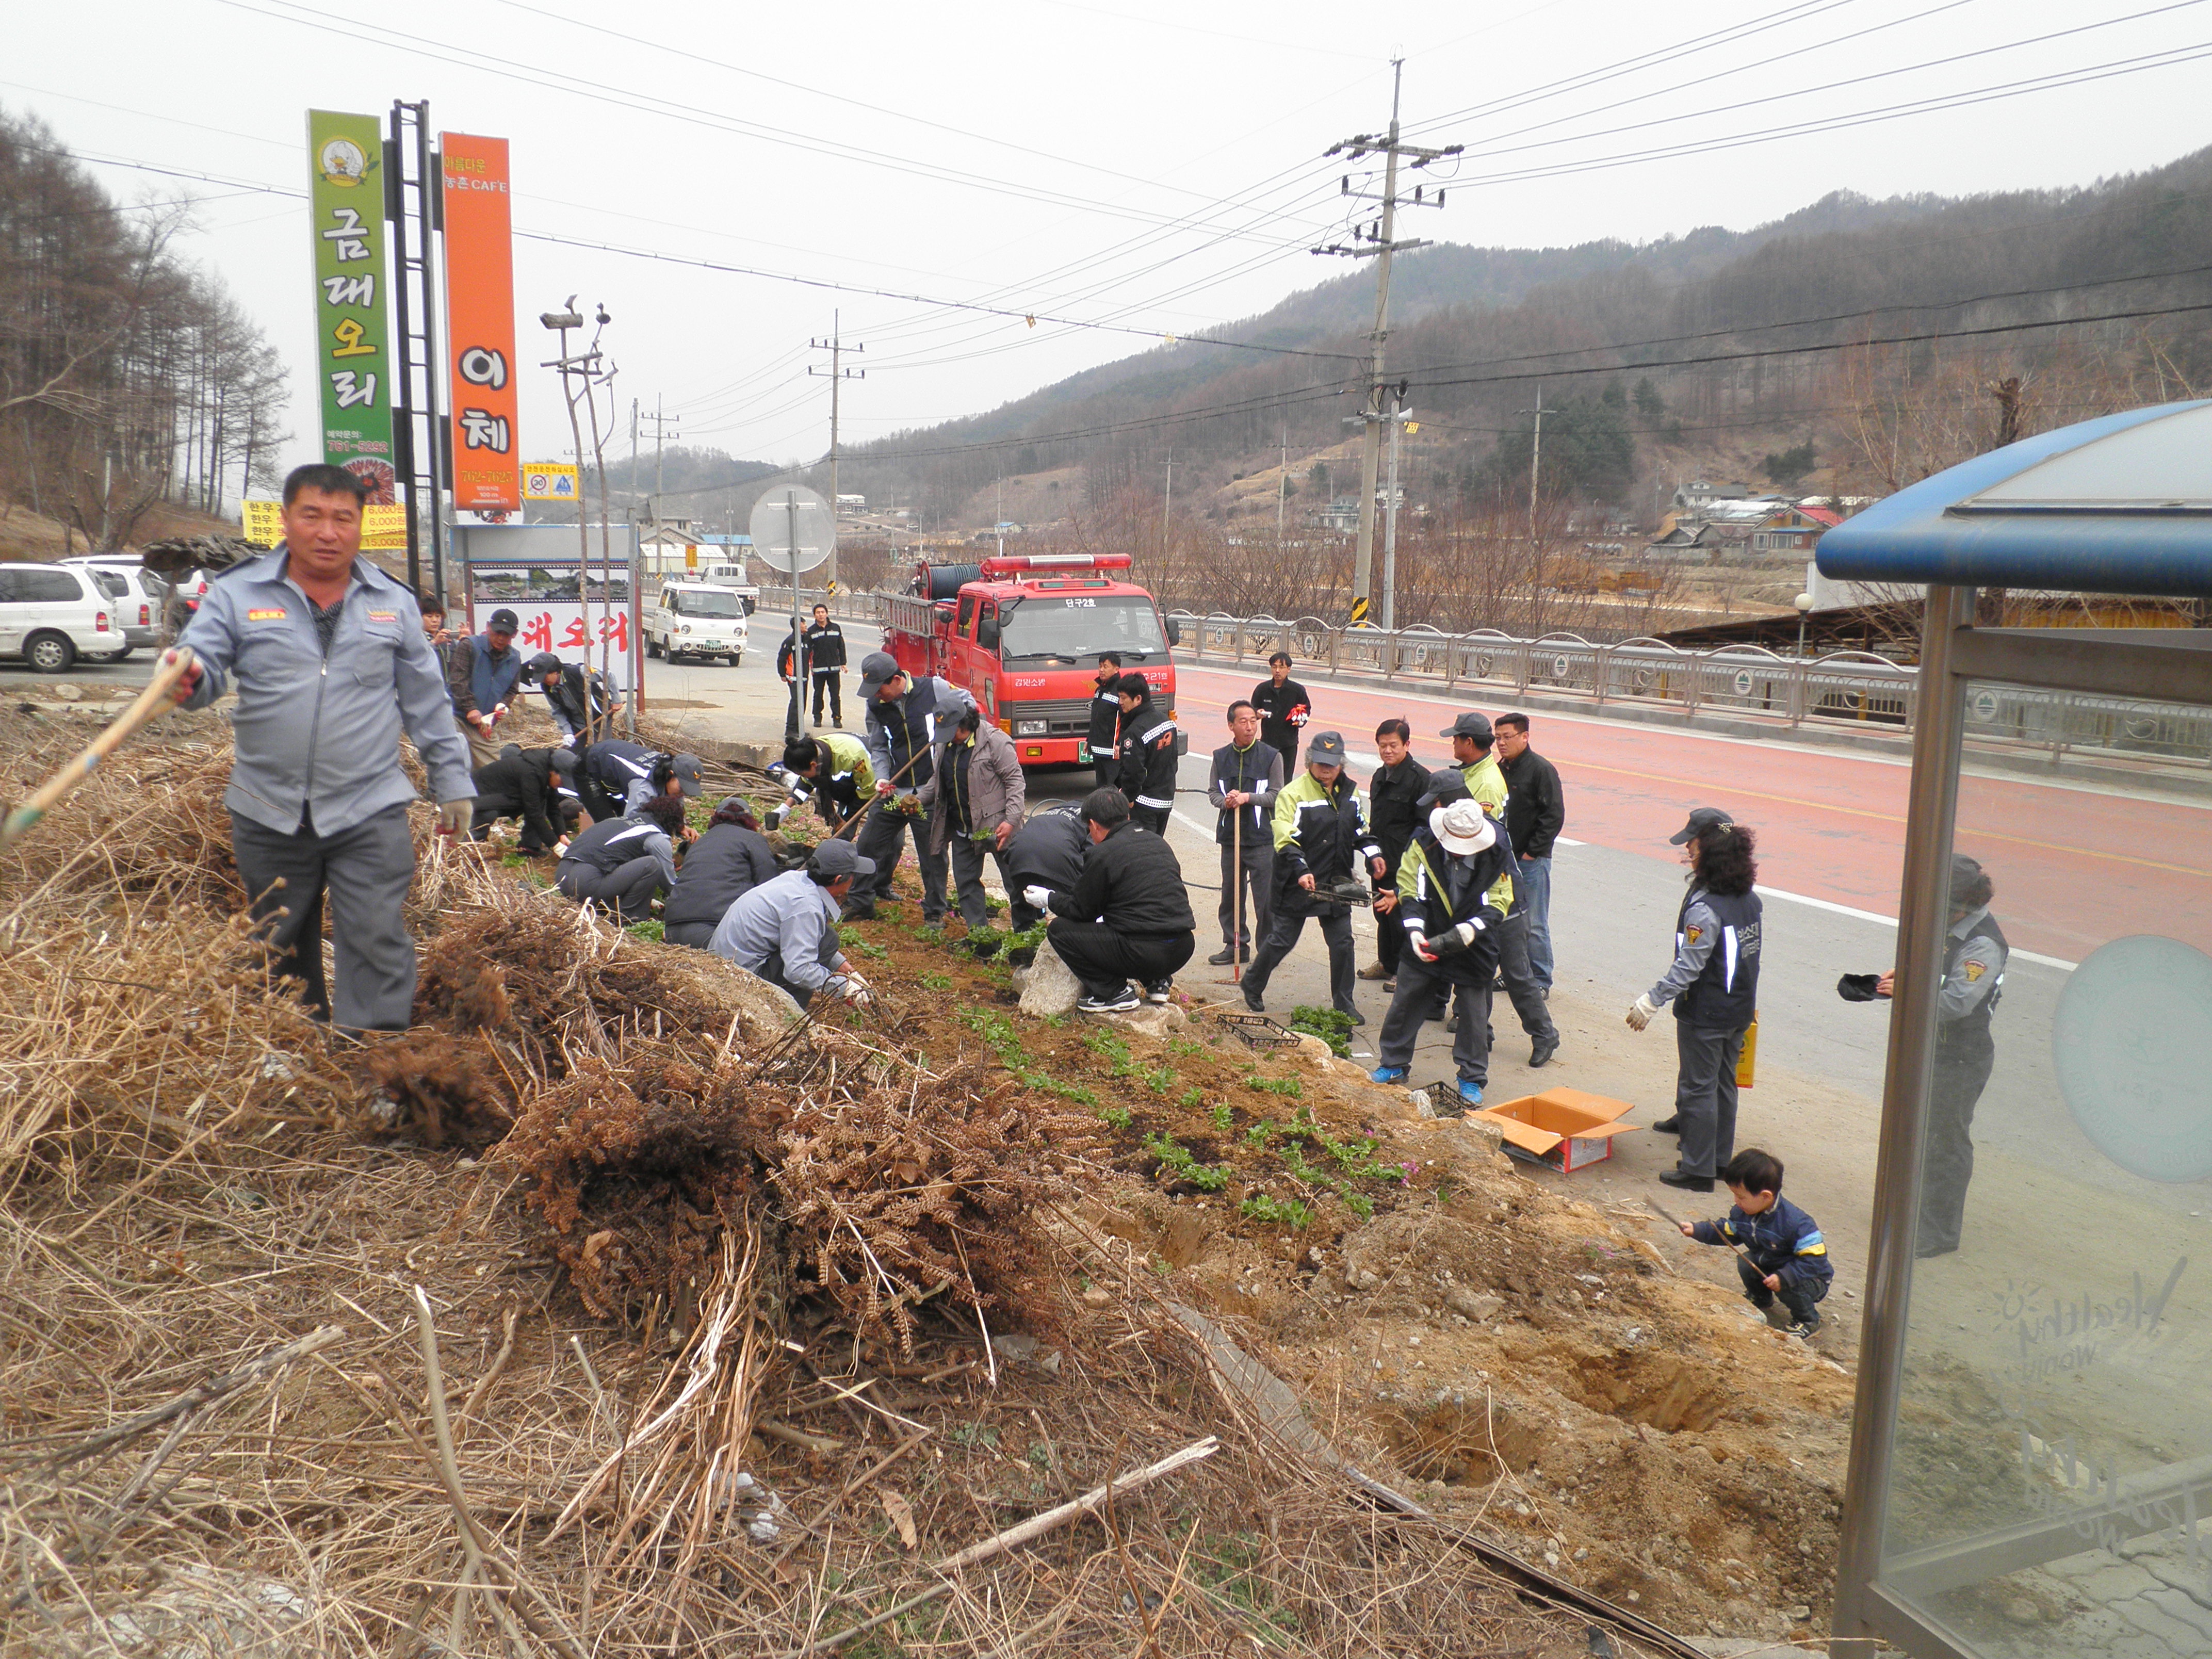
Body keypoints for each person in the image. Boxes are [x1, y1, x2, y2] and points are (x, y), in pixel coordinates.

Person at [165, 462, 476, 1032]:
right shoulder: (237, 593)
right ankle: (296, 1055)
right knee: (277, 942)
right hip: (268, 808)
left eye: (343, 518)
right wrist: (186, 676)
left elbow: (428, 702)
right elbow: (201, 667)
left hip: (369, 807)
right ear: (286, 520)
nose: (328, 532)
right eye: (312, 516)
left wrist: (453, 781)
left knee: (376, 937)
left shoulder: (393, 601)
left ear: (361, 525)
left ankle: (374, 1058)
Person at [1875, 853, 2006, 1258]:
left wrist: (1908, 992)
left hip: (1961, 1057)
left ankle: (1938, 1232)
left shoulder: (1982, 944)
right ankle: (1909, 1213)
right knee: (1914, 1131)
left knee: (1945, 1142)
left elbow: (1955, 1003)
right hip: (1930, 1048)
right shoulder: (1947, 927)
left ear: (1961, 905)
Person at [1627, 807, 1763, 1193]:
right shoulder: (1748, 899)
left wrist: (1651, 1001)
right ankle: (1718, 1160)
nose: (1687, 848)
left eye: (1693, 842)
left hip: (1706, 1014)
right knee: (1723, 1084)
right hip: (1739, 1008)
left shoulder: (1705, 910)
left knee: (1699, 1087)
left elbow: (1689, 967)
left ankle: (1698, 1169)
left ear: (1711, 849)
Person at [1369, 799, 1515, 1108]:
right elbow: (1410, 890)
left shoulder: (1497, 853)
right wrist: (1415, 933)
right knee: (1406, 1000)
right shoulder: (1422, 845)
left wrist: (1470, 930)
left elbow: (1499, 902)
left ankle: (1472, 1077)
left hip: (1475, 942)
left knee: (1474, 1015)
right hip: (1429, 930)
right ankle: (1393, 1063)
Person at [1434, 710, 1558, 1069]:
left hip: (1503, 901)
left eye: (1456, 738)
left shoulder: (1486, 788)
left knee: (1517, 974)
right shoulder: (1472, 777)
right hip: (1478, 899)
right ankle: (1480, 1032)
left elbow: (1484, 852)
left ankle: (1544, 1034)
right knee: (1476, 970)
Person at [1240, 731, 1385, 1023]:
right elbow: (1285, 839)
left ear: (1341, 764)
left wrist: (1374, 854)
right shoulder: (1293, 794)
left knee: (1343, 943)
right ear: (1309, 762)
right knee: (1282, 940)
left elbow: (1360, 830)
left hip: (1336, 883)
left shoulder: (1350, 794)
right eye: (1320, 764)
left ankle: (1344, 1004)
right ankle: (1252, 983)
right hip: (1298, 881)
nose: (1326, 770)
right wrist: (1302, 870)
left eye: (1332, 764)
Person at [1026, 788, 1195, 1014]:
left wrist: (1048, 898)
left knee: (1060, 931)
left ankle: (1114, 993)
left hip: (1142, 952)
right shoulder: (1157, 842)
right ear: (1127, 816)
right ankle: (1158, 982)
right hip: (1182, 947)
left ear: (1094, 825)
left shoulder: (1103, 853)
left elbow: (1082, 911)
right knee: (1140, 922)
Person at [1676, 1148, 1832, 1338]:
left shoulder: (1797, 1224)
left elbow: (1814, 1260)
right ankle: (1761, 1297)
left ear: (1766, 1196)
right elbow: (1727, 1231)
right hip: (1772, 1265)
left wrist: (1785, 1277)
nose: (1736, 1201)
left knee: (1788, 1286)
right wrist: (1697, 1230)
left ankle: (1808, 1319)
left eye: (1741, 1197)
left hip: (1810, 1278)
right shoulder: (1744, 1214)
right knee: (1747, 1261)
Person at [847, 651, 954, 923]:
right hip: (894, 789)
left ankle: (935, 913)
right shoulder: (875, 705)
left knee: (933, 856)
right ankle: (859, 902)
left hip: (928, 792)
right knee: (868, 846)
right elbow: (879, 746)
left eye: (879, 689)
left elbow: (966, 708)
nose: (876, 695)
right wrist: (882, 777)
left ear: (896, 680)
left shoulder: (934, 689)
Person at [710, 839, 875, 1010]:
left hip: (722, 966)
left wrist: (847, 970)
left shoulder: (797, 879)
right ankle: (791, 1014)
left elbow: (809, 937)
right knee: (828, 941)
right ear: (838, 879)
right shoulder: (806, 907)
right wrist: (843, 987)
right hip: (739, 979)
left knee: (824, 939)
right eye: (853, 874)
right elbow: (799, 971)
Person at [918, 698, 1026, 933]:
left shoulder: (995, 742)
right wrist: (916, 801)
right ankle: (980, 937)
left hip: (998, 828)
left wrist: (1011, 821)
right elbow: (937, 781)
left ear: (964, 725)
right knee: (967, 885)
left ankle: (1027, 936)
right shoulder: (945, 745)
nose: (947, 737)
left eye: (951, 732)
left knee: (1017, 884)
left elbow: (1015, 782)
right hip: (962, 829)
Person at [1206, 700, 1282, 966]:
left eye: (1253, 721)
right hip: (1231, 839)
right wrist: (1226, 802)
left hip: (1261, 840)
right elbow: (1213, 793)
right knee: (1231, 896)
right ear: (1231, 726)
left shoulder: (1271, 756)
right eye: (1243, 722)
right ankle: (1236, 945)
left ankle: (1268, 951)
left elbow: (1277, 795)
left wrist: (1248, 797)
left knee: (1265, 899)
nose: (1250, 727)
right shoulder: (1220, 757)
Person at [1493, 712, 1564, 994]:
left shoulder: (1541, 770)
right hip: (1503, 860)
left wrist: (1532, 853)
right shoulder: (1500, 770)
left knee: (1534, 922)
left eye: (1507, 737)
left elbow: (1553, 816)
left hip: (1531, 861)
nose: (1501, 743)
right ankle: (1512, 974)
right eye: (1498, 738)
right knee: (1506, 920)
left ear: (1525, 737)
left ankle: (1540, 979)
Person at [1360, 719, 1430, 990]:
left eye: (1393, 745)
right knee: (1382, 916)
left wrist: (1414, 865)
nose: (1387, 751)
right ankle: (1386, 963)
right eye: (1382, 746)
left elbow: (1424, 830)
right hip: (1380, 861)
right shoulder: (1380, 776)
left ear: (1407, 745)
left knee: (1403, 919)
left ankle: (1404, 970)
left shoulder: (1420, 780)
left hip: (1405, 865)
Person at [664, 796, 780, 949]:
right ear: (750, 820)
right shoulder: (752, 839)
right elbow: (769, 885)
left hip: (673, 930)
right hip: (715, 930)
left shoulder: (698, 843)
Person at [555, 793, 688, 923]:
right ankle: (629, 916)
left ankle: (605, 908)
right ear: (672, 823)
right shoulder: (655, 834)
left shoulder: (621, 821)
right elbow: (669, 884)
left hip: (563, 878)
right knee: (652, 865)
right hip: (586, 884)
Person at [446, 606, 524, 769]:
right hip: (456, 716)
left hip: (485, 723)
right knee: (454, 765)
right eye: (497, 632)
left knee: (492, 770)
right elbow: (458, 681)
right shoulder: (469, 646)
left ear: (515, 634)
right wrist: (470, 708)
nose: (501, 638)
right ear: (488, 627)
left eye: (506, 634)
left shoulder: (515, 658)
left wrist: (503, 705)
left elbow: (512, 690)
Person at [468, 743, 575, 855]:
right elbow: (534, 813)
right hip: (477, 798)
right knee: (488, 814)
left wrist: (562, 835)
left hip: (505, 797)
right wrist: (556, 846)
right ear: (553, 772)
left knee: (541, 799)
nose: (562, 785)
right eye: (562, 781)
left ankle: (529, 848)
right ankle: (471, 846)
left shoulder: (544, 771)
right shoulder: (530, 773)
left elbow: (553, 808)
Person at [1001, 802, 1089, 932]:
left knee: (1023, 900)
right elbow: (1092, 856)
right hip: (1059, 855)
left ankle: (1024, 938)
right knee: (1073, 905)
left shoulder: (1054, 809)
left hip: (1019, 852)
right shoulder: (1093, 820)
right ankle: (1069, 937)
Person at [1112, 670, 1178, 834]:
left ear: (1138, 699)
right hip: (1166, 801)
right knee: (1156, 844)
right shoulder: (1167, 723)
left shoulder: (1134, 732)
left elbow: (1133, 772)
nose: (1120, 702)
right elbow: (1173, 761)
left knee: (1141, 846)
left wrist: (1128, 797)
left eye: (1124, 698)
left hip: (1143, 805)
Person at [773, 731, 875, 832]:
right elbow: (806, 784)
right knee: (841, 828)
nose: (802, 777)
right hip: (852, 784)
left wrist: (847, 817)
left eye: (802, 774)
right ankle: (840, 839)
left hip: (876, 782)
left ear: (813, 765)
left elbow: (868, 791)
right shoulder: (813, 753)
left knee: (871, 828)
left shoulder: (852, 759)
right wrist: (786, 807)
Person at [528, 652, 618, 749]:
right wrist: (567, 732)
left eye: (544, 677)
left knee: (600, 750)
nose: (543, 681)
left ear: (555, 672)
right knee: (570, 754)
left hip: (600, 719)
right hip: (577, 725)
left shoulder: (578, 672)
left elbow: (608, 675)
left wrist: (616, 700)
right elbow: (557, 711)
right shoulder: (547, 687)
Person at [1250, 650, 1311, 761]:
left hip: (1289, 744)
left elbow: (1306, 709)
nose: (1277, 671)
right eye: (1274, 667)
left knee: (1286, 773)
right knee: (1266, 771)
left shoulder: (1297, 690)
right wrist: (1257, 713)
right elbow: (1251, 710)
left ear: (1289, 669)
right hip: (1267, 742)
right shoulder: (1262, 689)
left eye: (1282, 667)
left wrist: (1300, 720)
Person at [803, 602, 847, 727]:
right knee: (818, 695)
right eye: (818, 613)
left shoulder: (836, 628)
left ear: (827, 614)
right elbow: (807, 650)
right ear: (815, 615)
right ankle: (817, 718)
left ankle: (837, 718)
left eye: (823, 612)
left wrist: (843, 663)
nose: (821, 615)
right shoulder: (811, 631)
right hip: (818, 669)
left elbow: (841, 646)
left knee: (835, 695)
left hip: (834, 669)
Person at [1086, 652, 1125, 791]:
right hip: (1098, 749)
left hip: (1112, 751)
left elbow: (1125, 720)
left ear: (1116, 669)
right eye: (1100, 666)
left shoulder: (1120, 691)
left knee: (1113, 789)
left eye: (1105, 667)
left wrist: (1119, 744)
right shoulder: (1100, 690)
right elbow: (1096, 718)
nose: (1101, 670)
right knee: (1101, 788)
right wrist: (1089, 740)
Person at [776, 620, 806, 731]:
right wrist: (782, 674)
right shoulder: (790, 641)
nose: (806, 625)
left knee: (802, 703)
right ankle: (791, 729)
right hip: (794, 677)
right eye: (803, 624)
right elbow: (781, 658)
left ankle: (799, 729)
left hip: (804, 677)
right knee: (796, 702)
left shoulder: (806, 639)